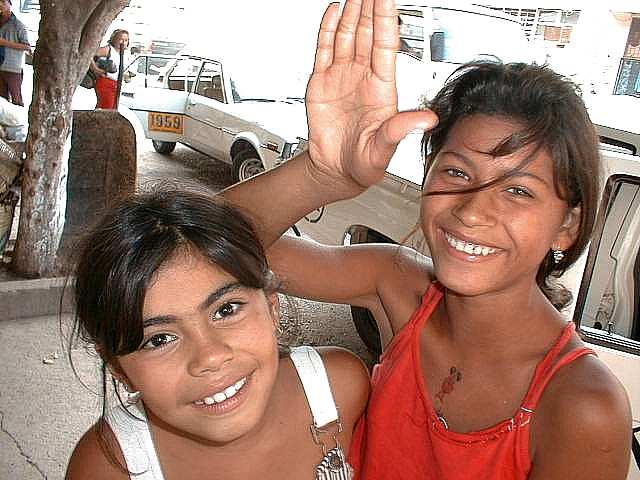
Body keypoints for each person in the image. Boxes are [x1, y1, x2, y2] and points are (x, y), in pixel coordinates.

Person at [223, 0, 632, 479]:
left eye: (518, 190)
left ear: (568, 225)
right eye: (457, 172)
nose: (472, 210)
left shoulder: (582, 406)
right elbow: (208, 245)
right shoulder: (396, 283)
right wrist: (319, 175)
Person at [64, 187, 369, 480]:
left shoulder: (339, 388)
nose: (210, 357)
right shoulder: (108, 466)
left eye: (226, 310)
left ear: (271, 307)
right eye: (159, 340)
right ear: (118, 368)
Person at [0, 0, 30, 106]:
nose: (0, 4)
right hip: (0, 67)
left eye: (3, 1)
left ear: (10, 3)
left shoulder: (18, 25)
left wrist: (5, 43)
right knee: (2, 102)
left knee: (16, 100)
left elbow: (27, 47)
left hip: (12, 68)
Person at [90, 29, 129, 109]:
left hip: (116, 84)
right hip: (106, 82)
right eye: (120, 39)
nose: (123, 42)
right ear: (114, 39)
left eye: (126, 40)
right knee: (106, 107)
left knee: (111, 108)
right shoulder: (108, 50)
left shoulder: (123, 54)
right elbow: (88, 54)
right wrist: (95, 69)